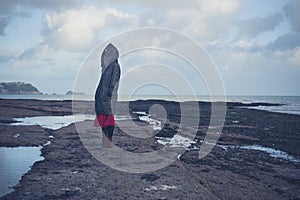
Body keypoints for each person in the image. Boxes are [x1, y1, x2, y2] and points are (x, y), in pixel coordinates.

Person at [94, 43, 121, 147]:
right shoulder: (106, 68)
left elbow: (114, 82)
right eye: (105, 53)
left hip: (109, 98)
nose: (106, 55)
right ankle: (105, 139)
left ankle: (108, 140)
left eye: (108, 53)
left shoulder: (115, 66)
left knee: (109, 119)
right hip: (101, 97)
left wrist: (109, 94)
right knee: (103, 119)